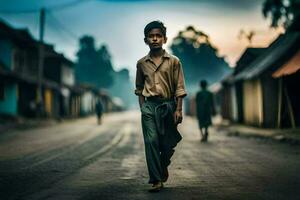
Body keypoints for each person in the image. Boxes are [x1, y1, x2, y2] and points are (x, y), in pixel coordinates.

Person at [135, 21, 187, 192]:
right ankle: (156, 179)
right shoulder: (141, 64)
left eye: (158, 36)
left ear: (164, 39)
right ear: (146, 40)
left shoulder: (174, 62)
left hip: (168, 106)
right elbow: (139, 89)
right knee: (151, 141)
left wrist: (178, 109)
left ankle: (163, 164)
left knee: (167, 143)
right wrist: (143, 108)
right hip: (150, 107)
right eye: (151, 36)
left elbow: (179, 87)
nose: (155, 39)